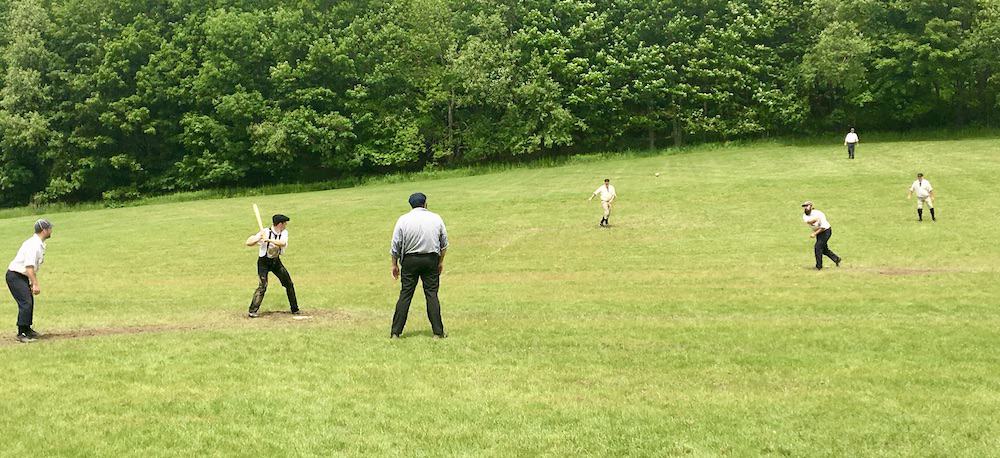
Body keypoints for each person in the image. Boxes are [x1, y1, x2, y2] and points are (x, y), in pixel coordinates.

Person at [390, 192, 449, 339]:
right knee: (431, 294)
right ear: (425, 204)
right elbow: (444, 244)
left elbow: (395, 245)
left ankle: (395, 332)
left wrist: (394, 265)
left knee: (405, 294)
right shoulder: (436, 218)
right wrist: (440, 262)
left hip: (410, 261)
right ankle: (438, 332)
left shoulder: (403, 220)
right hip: (430, 259)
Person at [7, 219, 53, 343]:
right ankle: (21, 333)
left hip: (22, 276)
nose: (51, 231)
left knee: (29, 301)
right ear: (44, 230)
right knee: (25, 302)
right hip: (15, 276)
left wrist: (31, 282)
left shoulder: (39, 243)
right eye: (50, 228)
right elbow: (29, 267)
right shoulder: (33, 245)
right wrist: (35, 284)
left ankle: (27, 329)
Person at [246, 214, 298, 317]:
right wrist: (258, 239)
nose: (286, 225)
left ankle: (295, 309)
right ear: (280, 224)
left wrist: (269, 240)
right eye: (285, 223)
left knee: (289, 283)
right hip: (263, 263)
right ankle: (252, 311)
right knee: (262, 286)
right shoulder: (265, 232)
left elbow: (282, 243)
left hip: (276, 262)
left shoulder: (284, 233)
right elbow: (248, 242)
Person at [801, 201, 841, 270]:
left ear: (811, 206)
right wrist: (815, 220)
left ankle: (818, 267)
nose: (805, 208)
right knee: (824, 250)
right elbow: (809, 222)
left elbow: (823, 227)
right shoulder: (805, 215)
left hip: (826, 231)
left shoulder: (819, 214)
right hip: (818, 232)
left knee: (818, 247)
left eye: (807, 206)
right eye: (804, 206)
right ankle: (836, 259)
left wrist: (814, 233)